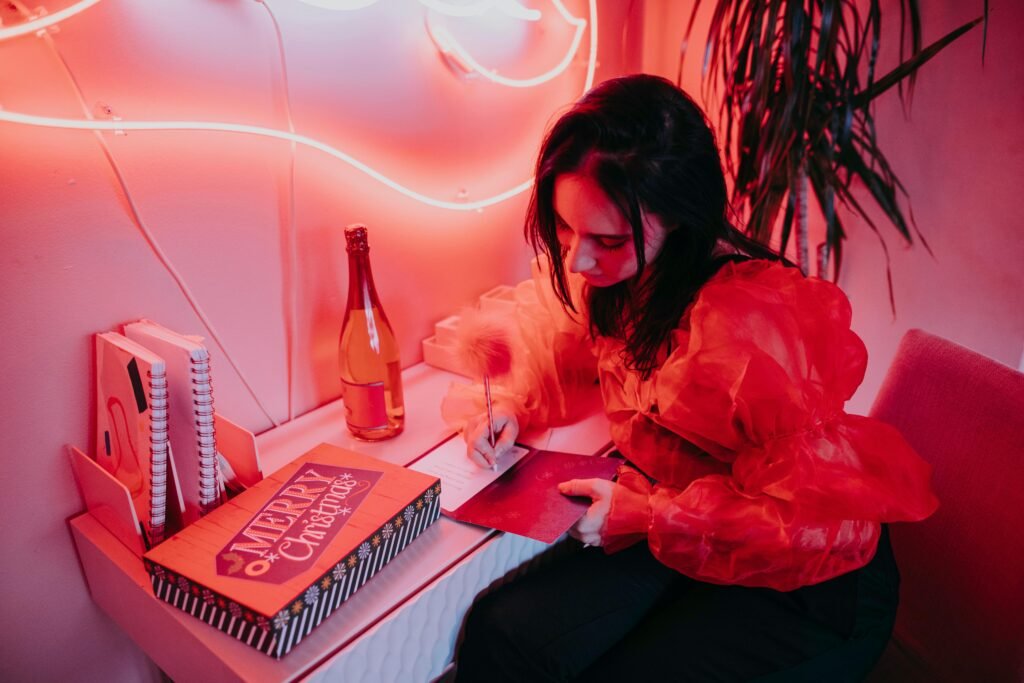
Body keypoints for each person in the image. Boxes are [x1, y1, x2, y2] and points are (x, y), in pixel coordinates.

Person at [442, 74, 938, 682]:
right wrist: (513, 403)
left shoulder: (747, 325)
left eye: (606, 239)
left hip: (812, 586)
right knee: (506, 631)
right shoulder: (616, 279)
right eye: (565, 228)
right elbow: (557, 341)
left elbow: (814, 523)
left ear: (677, 215)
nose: (577, 259)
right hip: (685, 519)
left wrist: (652, 517)